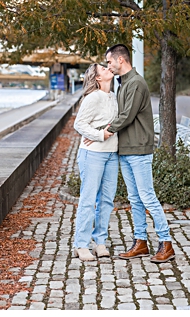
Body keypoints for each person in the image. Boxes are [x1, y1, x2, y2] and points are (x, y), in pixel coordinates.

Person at [102, 44, 175, 263]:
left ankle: (166, 243)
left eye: (109, 62)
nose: (108, 66)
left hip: (139, 149)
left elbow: (126, 115)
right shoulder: (124, 84)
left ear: (120, 60)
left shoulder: (136, 83)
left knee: (147, 197)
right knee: (135, 199)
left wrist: (106, 131)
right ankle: (140, 242)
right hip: (126, 149)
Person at [71, 63, 120, 262]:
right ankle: (81, 245)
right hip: (92, 155)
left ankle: (100, 242)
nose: (109, 69)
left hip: (111, 155)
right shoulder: (92, 98)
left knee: (106, 200)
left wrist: (104, 132)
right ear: (98, 78)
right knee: (88, 200)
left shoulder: (114, 97)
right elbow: (79, 124)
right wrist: (100, 134)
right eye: (104, 69)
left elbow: (116, 123)